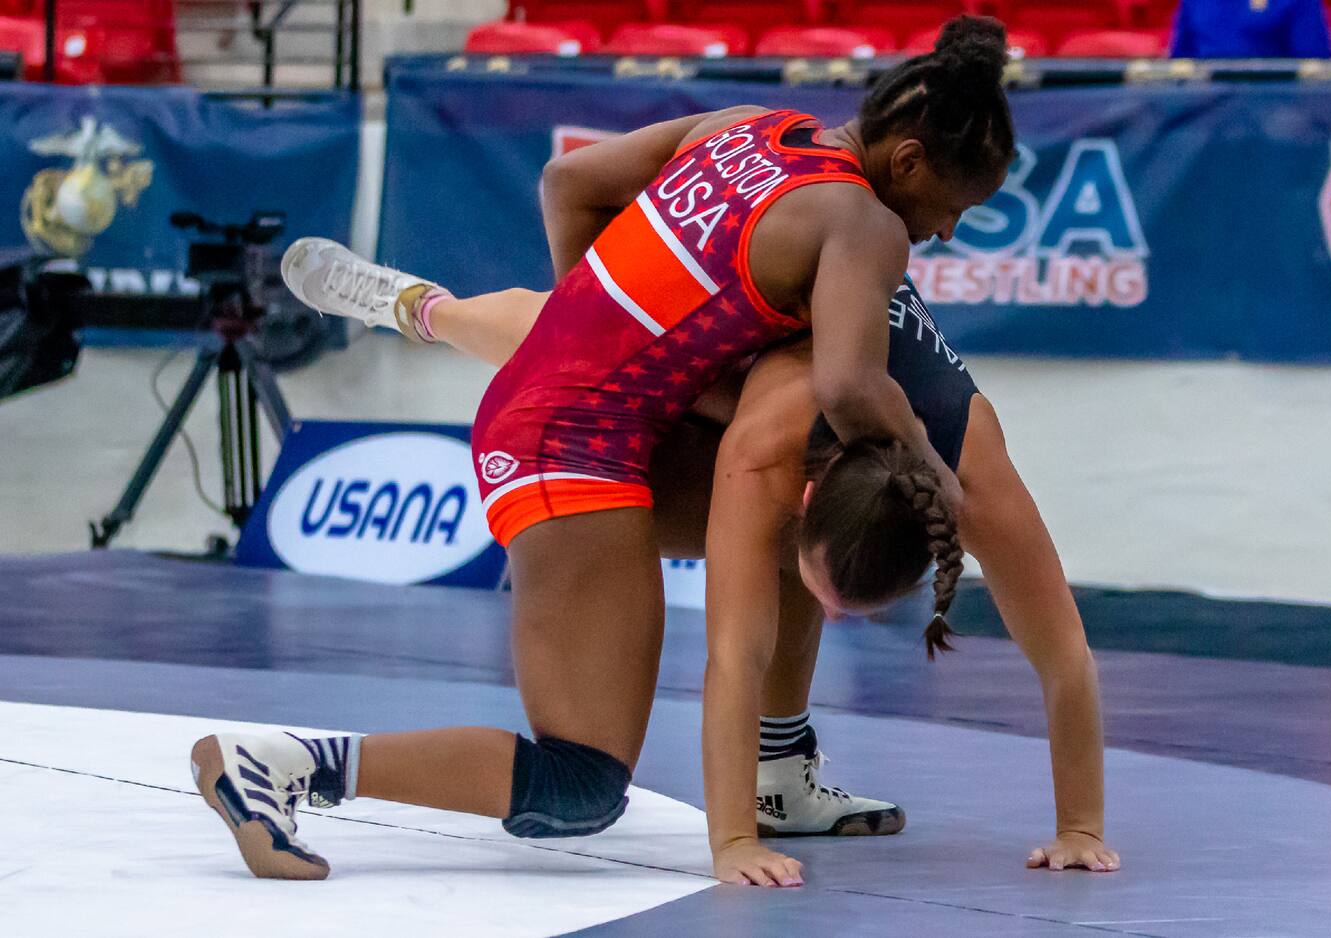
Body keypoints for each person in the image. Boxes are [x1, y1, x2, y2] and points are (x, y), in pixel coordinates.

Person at [190, 16, 1019, 884]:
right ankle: (280, 764)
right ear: (911, 163)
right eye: (953, 209)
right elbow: (854, 388)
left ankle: (777, 771)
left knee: (787, 509)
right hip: (570, 444)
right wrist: (935, 469)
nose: (947, 233)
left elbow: (567, 181)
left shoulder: (746, 125)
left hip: (580, 411)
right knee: (578, 784)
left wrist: (596, 314)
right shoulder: (862, 222)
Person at [261, 253, 1120, 884]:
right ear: (808, 492)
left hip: (792, 345)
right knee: (585, 335)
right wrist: (732, 843)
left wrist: (1080, 825)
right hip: (711, 319)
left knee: (688, 414)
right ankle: (421, 307)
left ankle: (778, 775)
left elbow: (1065, 656)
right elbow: (732, 655)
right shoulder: (765, 449)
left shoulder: (979, 479)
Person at [1170, 0, 1331, 59]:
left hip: (1276, 112)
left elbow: (1314, 69)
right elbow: (1182, 61)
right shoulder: (1195, 1)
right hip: (1206, 113)